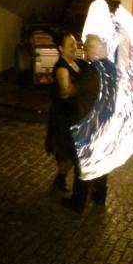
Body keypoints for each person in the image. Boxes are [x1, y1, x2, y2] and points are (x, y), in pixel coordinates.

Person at [60, 34, 108, 212]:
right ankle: (99, 195)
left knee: (84, 163)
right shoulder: (108, 68)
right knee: (101, 161)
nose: (83, 51)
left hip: (89, 123)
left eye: (87, 48)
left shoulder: (92, 72)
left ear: (94, 50)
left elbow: (70, 92)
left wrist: (68, 83)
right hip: (103, 122)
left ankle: (78, 202)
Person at [45, 31, 83, 191]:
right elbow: (65, 92)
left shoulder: (75, 63)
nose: (75, 47)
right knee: (69, 153)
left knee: (71, 153)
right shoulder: (62, 68)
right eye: (70, 45)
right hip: (63, 118)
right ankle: (60, 179)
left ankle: (60, 179)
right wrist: (85, 88)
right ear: (61, 48)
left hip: (73, 115)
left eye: (75, 44)